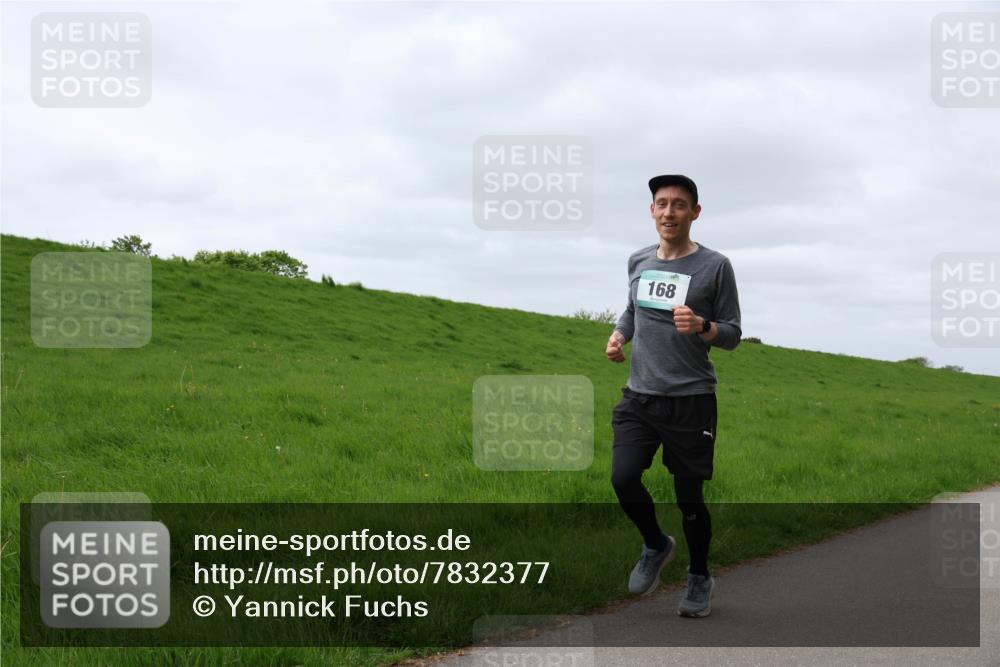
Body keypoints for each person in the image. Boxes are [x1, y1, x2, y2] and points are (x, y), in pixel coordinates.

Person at [606, 174, 741, 618]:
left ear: (695, 213)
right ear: (652, 211)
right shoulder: (638, 260)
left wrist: (703, 327)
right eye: (661, 204)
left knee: (689, 499)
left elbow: (733, 334)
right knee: (623, 478)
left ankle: (699, 576)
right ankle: (655, 544)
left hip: (691, 399)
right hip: (640, 396)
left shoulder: (715, 266)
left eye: (679, 205)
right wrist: (619, 335)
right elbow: (632, 308)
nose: (669, 212)